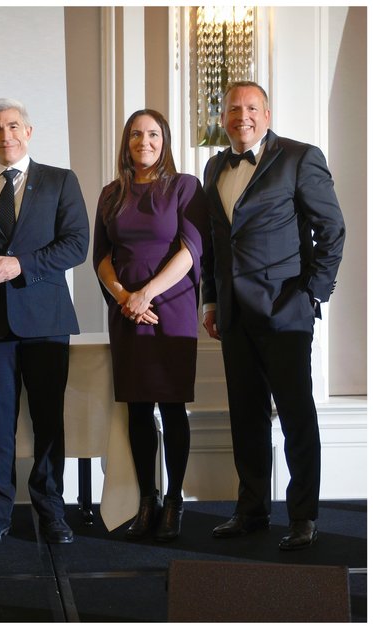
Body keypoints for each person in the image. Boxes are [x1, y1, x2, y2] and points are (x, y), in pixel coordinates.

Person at [201, 81, 345, 550]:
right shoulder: (213, 166)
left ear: (266, 113)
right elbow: (214, 242)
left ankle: (303, 516)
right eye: (233, 109)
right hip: (233, 313)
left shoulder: (300, 157)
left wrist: (312, 295)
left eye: (250, 108)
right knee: (246, 415)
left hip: (286, 311)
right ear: (223, 117)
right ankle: (252, 510)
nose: (241, 116)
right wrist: (210, 300)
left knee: (297, 414)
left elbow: (332, 229)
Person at [0, 98, 89, 545]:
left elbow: (76, 245)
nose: (5, 135)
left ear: (28, 132)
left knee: (49, 422)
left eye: (13, 126)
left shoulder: (60, 181)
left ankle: (51, 512)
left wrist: (20, 264)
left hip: (46, 322)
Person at [93, 110, 208, 542]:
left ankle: (174, 501)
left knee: (172, 407)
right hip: (125, 313)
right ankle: (147, 500)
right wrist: (125, 297)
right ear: (126, 142)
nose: (145, 141)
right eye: (137, 134)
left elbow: (190, 250)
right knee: (138, 408)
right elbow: (101, 256)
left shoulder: (184, 187)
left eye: (153, 134)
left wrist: (148, 294)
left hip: (171, 308)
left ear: (166, 140)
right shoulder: (110, 193)